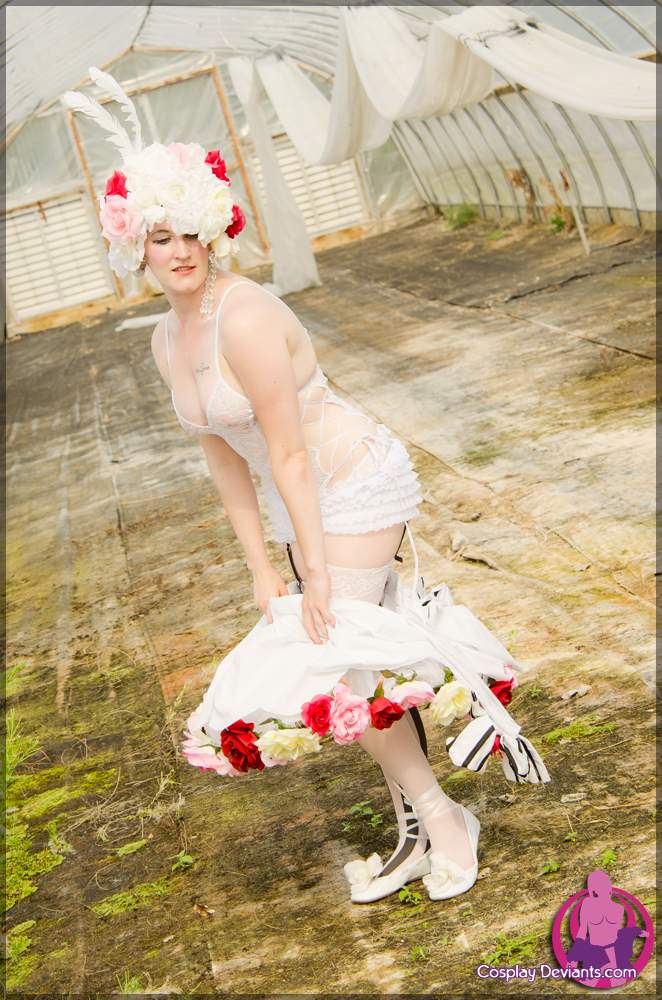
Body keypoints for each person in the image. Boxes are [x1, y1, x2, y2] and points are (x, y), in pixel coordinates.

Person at [63, 66, 549, 906]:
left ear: (213, 230)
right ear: (134, 245)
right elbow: (224, 455)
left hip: (348, 478)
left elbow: (288, 454)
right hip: (301, 502)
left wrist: (314, 574)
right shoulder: (165, 339)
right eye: (161, 237)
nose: (179, 252)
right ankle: (415, 831)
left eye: (191, 233)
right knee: (359, 663)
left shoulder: (245, 315)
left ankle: (442, 822)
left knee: (341, 664)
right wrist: (263, 568)